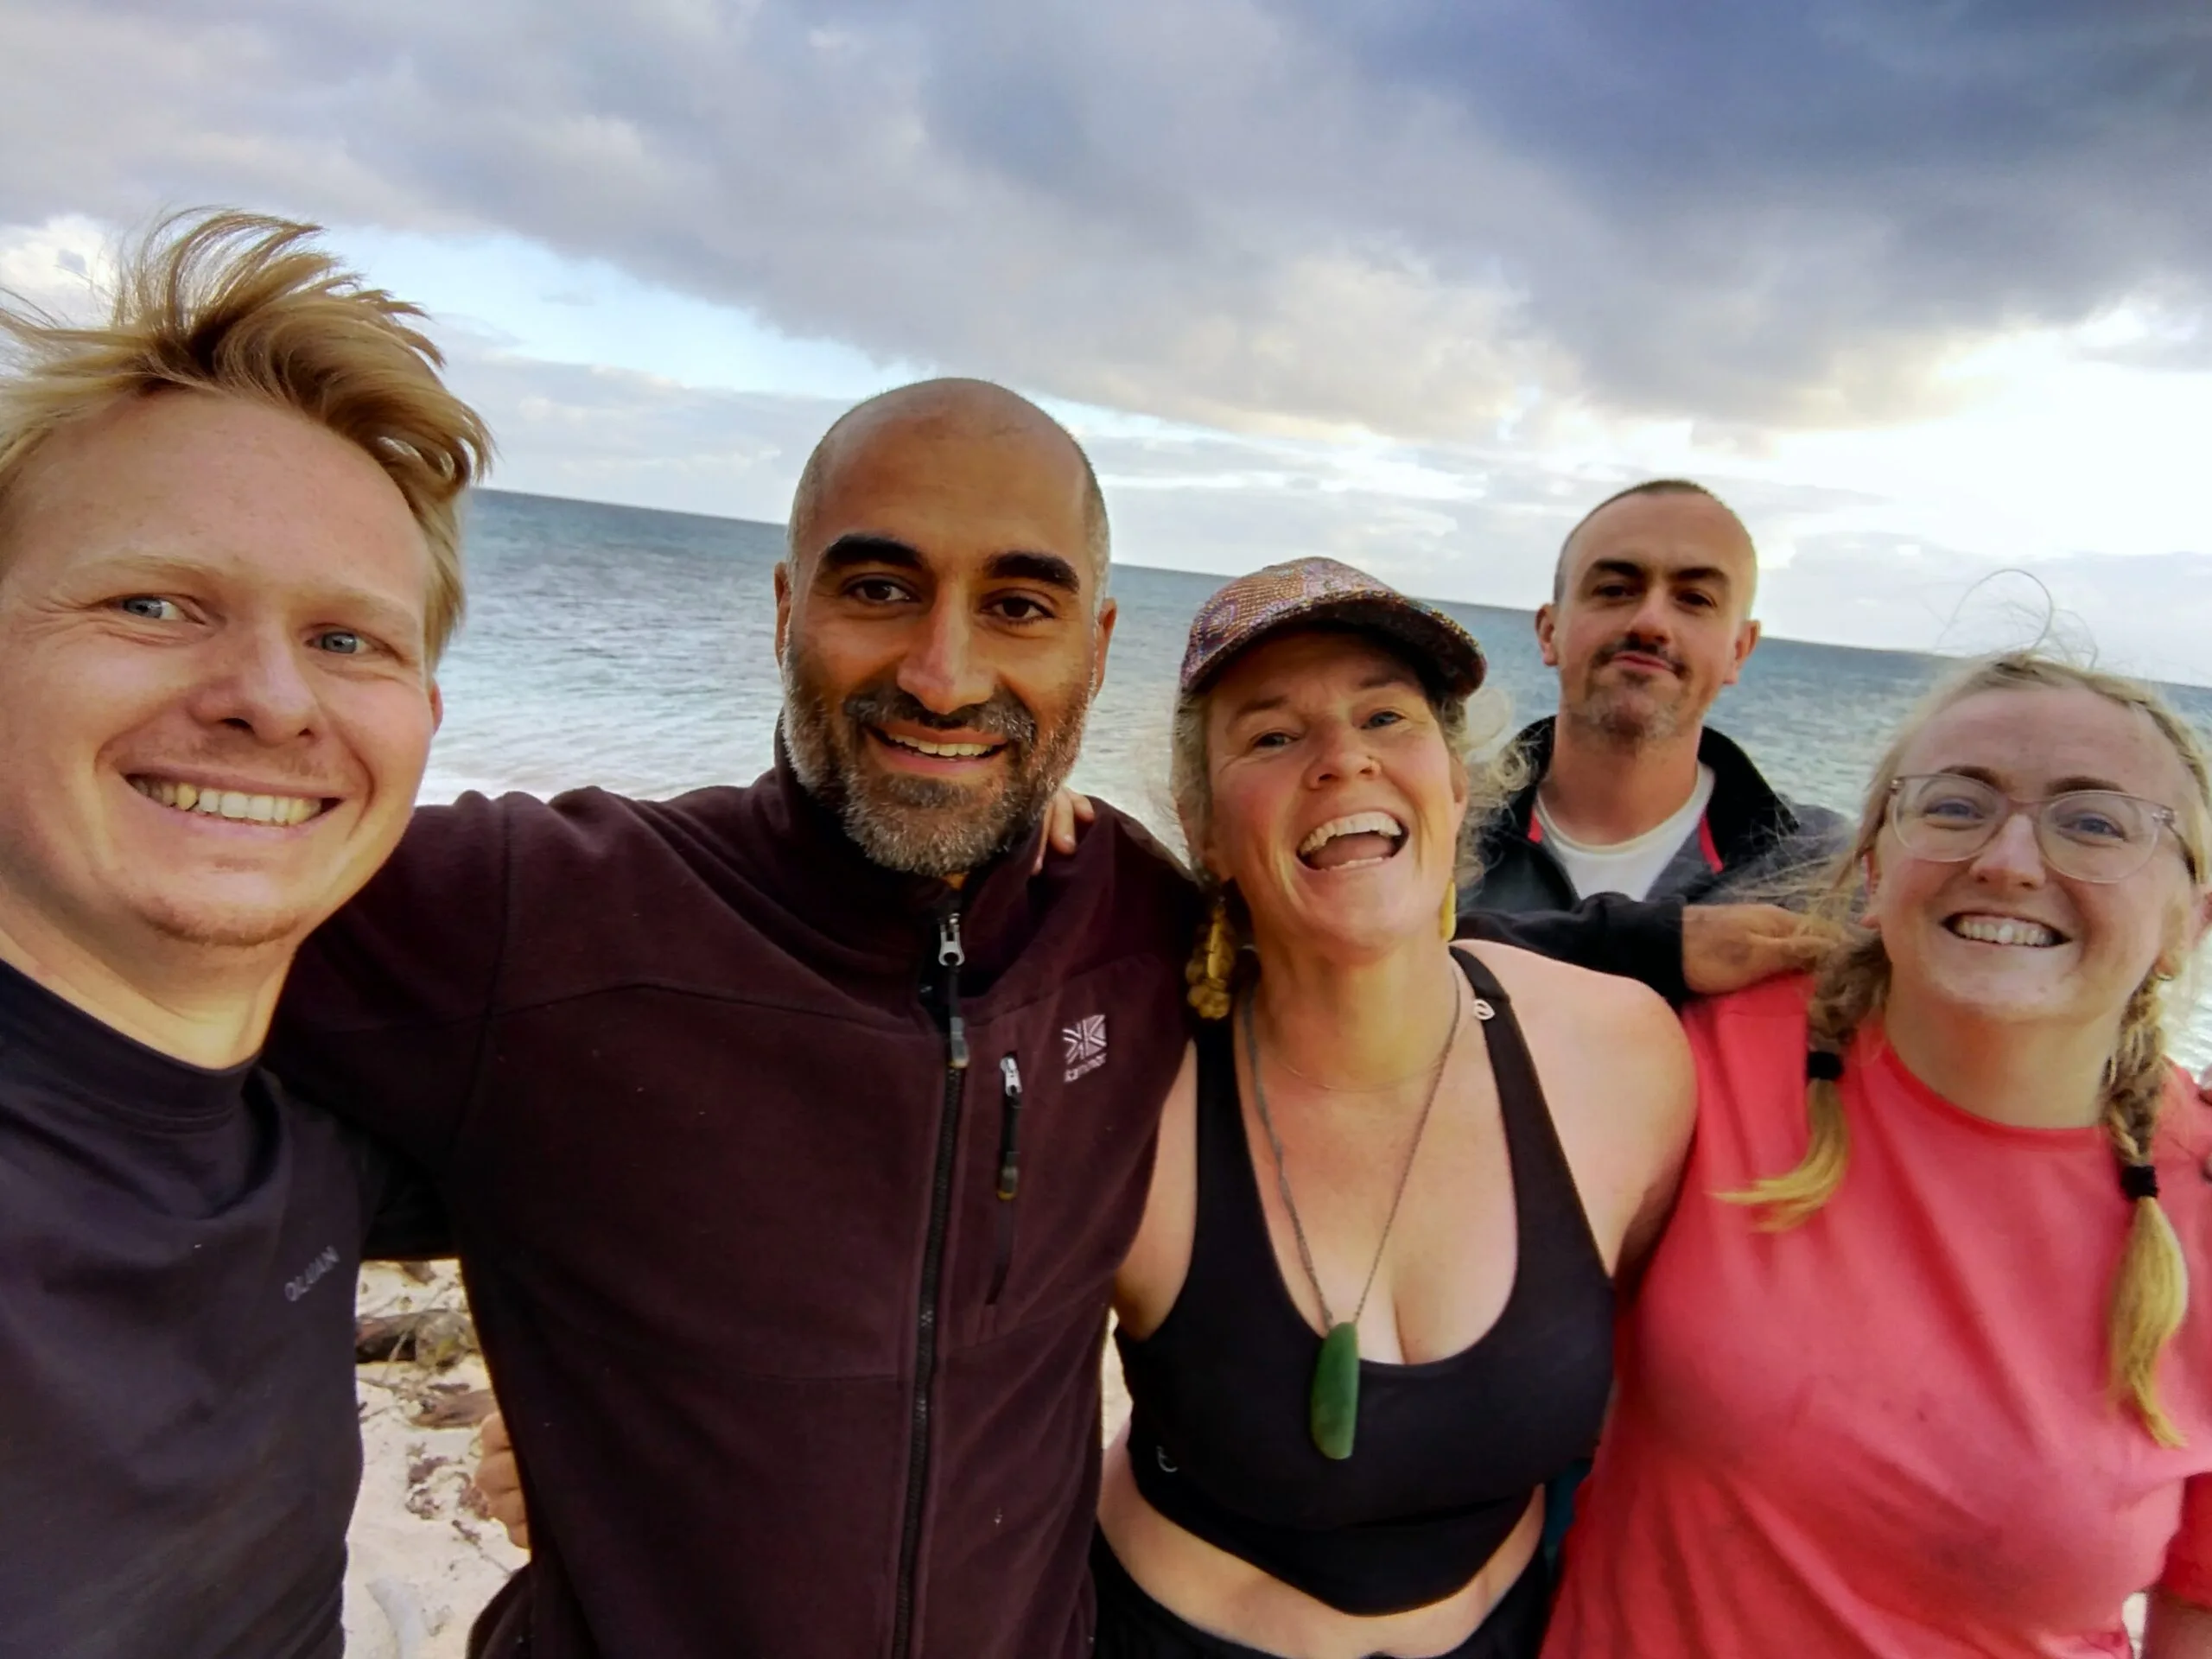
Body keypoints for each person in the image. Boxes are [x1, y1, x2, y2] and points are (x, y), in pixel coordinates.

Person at [271, 378, 1809, 1658]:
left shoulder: (1116, 928)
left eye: (1016, 605)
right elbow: (141, 956)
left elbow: (1368, 935)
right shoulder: (549, 910)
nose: (946, 673)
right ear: (785, 605)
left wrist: (1660, 938)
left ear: (1089, 648)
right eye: (879, 589)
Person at [0, 212, 483, 1657]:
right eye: (154, 603)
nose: (272, 700)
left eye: (350, 641)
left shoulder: (322, 1136)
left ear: (420, 723)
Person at [1546, 652, 2212, 1657]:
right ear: (1871, 864)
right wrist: (1642, 938)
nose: (2008, 861)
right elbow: (1377, 978)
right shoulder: (1702, 1058)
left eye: (2093, 823)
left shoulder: (2197, 1198)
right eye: (1954, 806)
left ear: (2185, 920)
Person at [1092, 559, 1695, 1658]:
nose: (1344, 758)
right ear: (1203, 825)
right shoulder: (1133, 1100)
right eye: (1271, 737)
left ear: (1457, 783)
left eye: (1386, 715)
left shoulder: (1623, 1059)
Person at [1464, 479, 1842, 916]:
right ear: (1551, 632)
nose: (1650, 622)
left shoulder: (1820, 869)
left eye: (1695, 599)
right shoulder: (1442, 824)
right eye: (1614, 590)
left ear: (1739, 651)